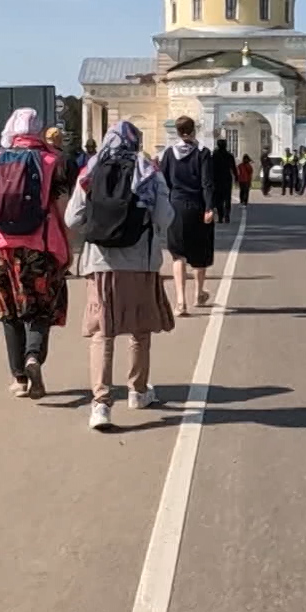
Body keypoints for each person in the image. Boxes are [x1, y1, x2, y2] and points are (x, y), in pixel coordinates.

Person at [65, 121, 174, 431]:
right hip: (141, 262)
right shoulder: (149, 171)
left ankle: (100, 405)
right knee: (140, 330)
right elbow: (165, 217)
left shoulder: (91, 170)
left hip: (100, 263)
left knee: (103, 332)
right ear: (135, 141)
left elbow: (71, 217)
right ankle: (138, 391)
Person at [0, 109, 73, 397]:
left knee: (8, 310)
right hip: (38, 246)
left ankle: (18, 378)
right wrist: (69, 249)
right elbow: (63, 208)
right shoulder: (52, 161)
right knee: (38, 307)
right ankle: (33, 357)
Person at [158, 116, 217, 315]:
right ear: (194, 131)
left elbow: (162, 182)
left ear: (177, 131)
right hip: (197, 207)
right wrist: (210, 207)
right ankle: (199, 293)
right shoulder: (203, 153)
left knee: (178, 255)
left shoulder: (169, 154)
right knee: (200, 253)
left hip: (175, 207)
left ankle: (180, 302)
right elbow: (207, 183)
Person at [210, 138, 237, 223]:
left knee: (219, 199)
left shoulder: (215, 155)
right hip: (226, 179)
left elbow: (210, 168)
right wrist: (236, 177)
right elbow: (233, 168)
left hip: (217, 179)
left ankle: (221, 216)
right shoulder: (229, 155)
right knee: (227, 198)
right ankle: (226, 215)